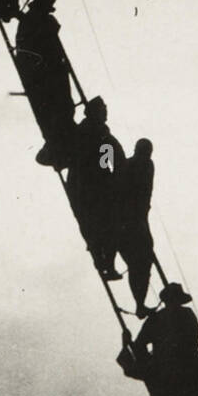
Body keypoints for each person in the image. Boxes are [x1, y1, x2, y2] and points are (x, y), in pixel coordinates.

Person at [14, 0, 76, 170]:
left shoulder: (40, 20)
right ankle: (57, 149)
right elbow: (27, 51)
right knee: (56, 112)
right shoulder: (33, 20)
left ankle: (61, 148)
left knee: (64, 109)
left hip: (51, 73)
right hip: (44, 76)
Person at [65, 96, 125, 278]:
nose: (106, 112)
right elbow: (108, 161)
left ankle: (102, 262)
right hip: (95, 186)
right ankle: (106, 263)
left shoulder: (80, 133)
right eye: (103, 109)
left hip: (81, 185)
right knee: (108, 225)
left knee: (91, 226)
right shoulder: (100, 135)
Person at [117, 139, 155, 316]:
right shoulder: (134, 165)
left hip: (137, 220)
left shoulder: (145, 165)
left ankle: (140, 303)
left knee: (142, 262)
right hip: (129, 222)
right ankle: (140, 303)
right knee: (139, 262)